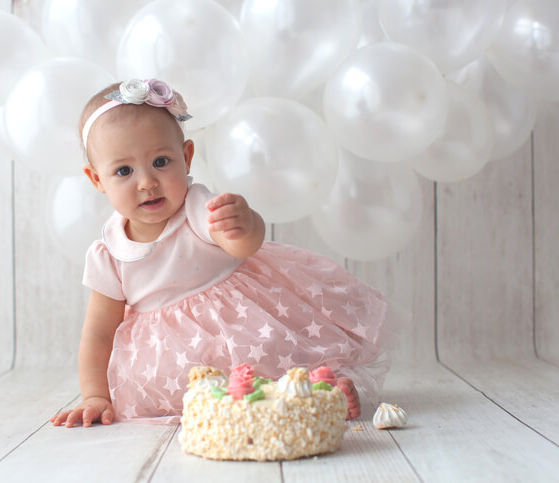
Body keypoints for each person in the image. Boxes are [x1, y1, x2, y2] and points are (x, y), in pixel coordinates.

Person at [50, 79, 393, 428]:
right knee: (213, 405)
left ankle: (322, 390)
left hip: (244, 332)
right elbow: (98, 334)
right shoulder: (110, 253)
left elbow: (243, 246)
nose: (146, 182)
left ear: (186, 157)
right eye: (124, 171)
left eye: (161, 161)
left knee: (276, 369)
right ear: (97, 180)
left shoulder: (197, 207)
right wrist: (95, 395)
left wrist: (245, 224)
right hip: (171, 366)